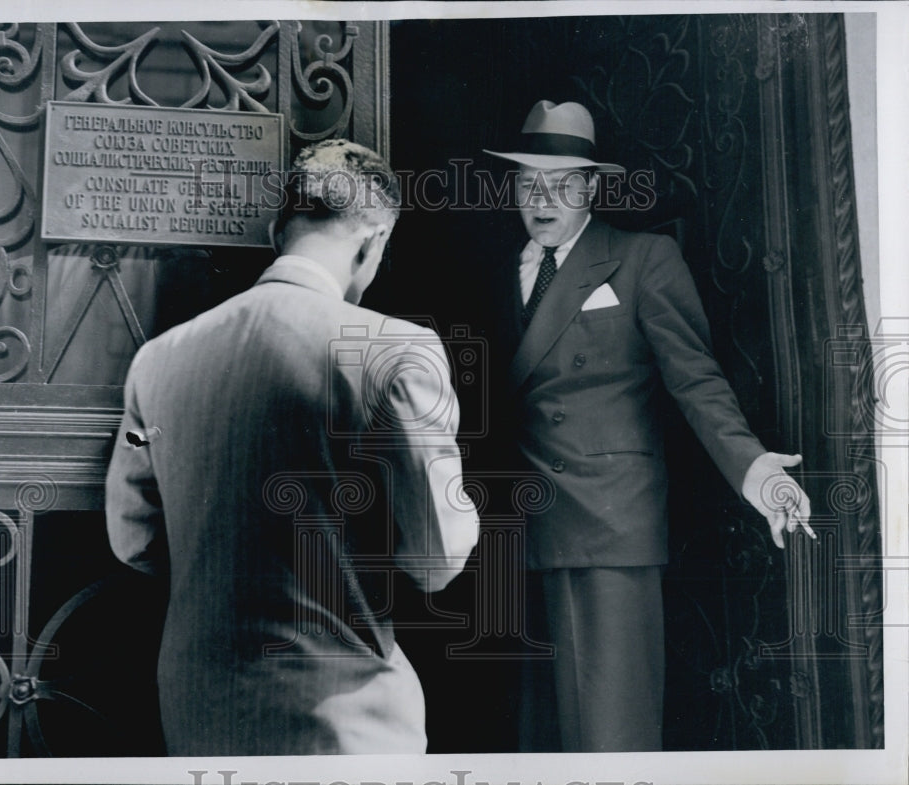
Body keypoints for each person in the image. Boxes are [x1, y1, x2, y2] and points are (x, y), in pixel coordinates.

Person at [105, 139, 479, 755]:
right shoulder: (393, 351)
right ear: (373, 241)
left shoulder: (158, 360)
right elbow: (437, 556)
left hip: (199, 711)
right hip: (340, 719)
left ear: (279, 227)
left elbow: (134, 541)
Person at [482, 100, 816, 752]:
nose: (542, 200)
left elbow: (697, 381)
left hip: (608, 529)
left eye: (562, 183)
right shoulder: (501, 272)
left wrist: (756, 471)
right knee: (537, 743)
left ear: (593, 187)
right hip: (516, 534)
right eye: (528, 183)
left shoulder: (642, 258)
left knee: (612, 740)